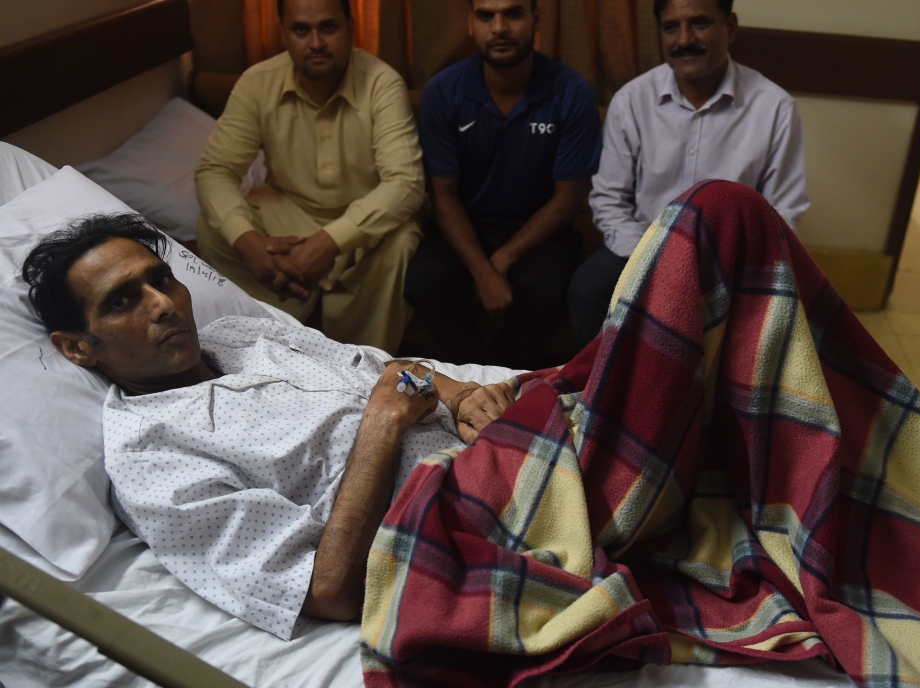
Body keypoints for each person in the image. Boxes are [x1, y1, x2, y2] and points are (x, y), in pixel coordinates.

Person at [22, 213, 516, 639]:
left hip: (500, 449)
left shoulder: (239, 333)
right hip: (469, 524)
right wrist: (381, 427)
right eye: (121, 302)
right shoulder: (150, 458)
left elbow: (384, 368)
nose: (164, 304)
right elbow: (327, 590)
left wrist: (459, 394)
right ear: (78, 347)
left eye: (162, 279)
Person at [567, 0, 810, 350]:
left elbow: (783, 212)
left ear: (731, 27)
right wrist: (656, 261)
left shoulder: (774, 108)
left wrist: (718, 268)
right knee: (588, 289)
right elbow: (609, 199)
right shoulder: (632, 100)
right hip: (641, 248)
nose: (684, 39)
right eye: (671, 27)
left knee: (771, 320)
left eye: (699, 23)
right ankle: (599, 394)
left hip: (730, 262)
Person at [195, 0, 424, 354]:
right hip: (289, 217)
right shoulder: (258, 83)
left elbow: (406, 184)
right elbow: (215, 171)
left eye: (328, 28)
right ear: (284, 32)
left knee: (403, 240)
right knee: (214, 226)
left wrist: (327, 244)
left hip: (362, 229)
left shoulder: (381, 83)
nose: (315, 42)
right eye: (301, 30)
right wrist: (249, 243)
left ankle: (358, 359)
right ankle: (275, 335)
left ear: (350, 27)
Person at [403, 0, 602, 370]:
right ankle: (477, 385)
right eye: (485, 16)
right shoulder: (444, 91)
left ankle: (504, 385)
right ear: (470, 22)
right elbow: (442, 196)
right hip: (464, 228)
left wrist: (500, 262)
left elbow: (568, 198)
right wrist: (483, 271)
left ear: (535, 19)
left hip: (540, 234)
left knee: (548, 289)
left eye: (513, 13)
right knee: (425, 282)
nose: (499, 27)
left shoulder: (571, 91)